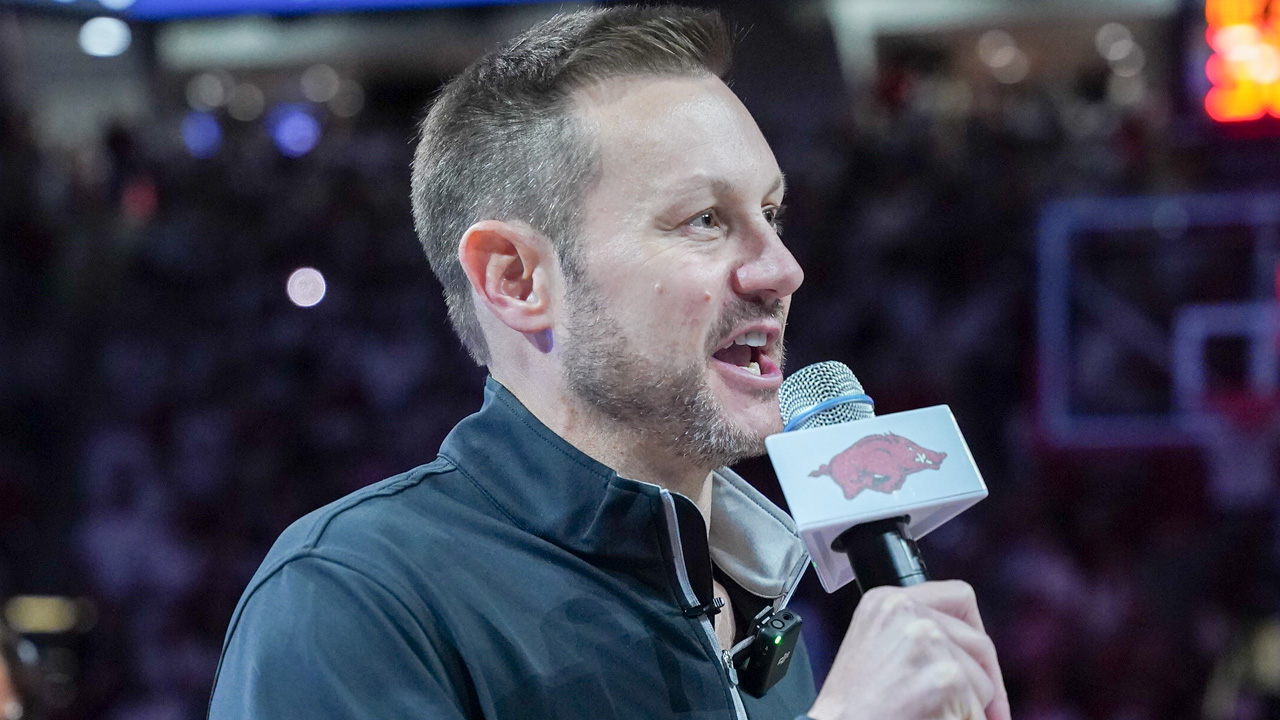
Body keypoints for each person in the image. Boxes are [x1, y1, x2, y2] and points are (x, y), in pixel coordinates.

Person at [208, 6, 1010, 720]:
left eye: (769, 212)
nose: (782, 268)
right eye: (704, 219)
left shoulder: (758, 606)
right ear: (518, 279)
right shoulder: (356, 600)